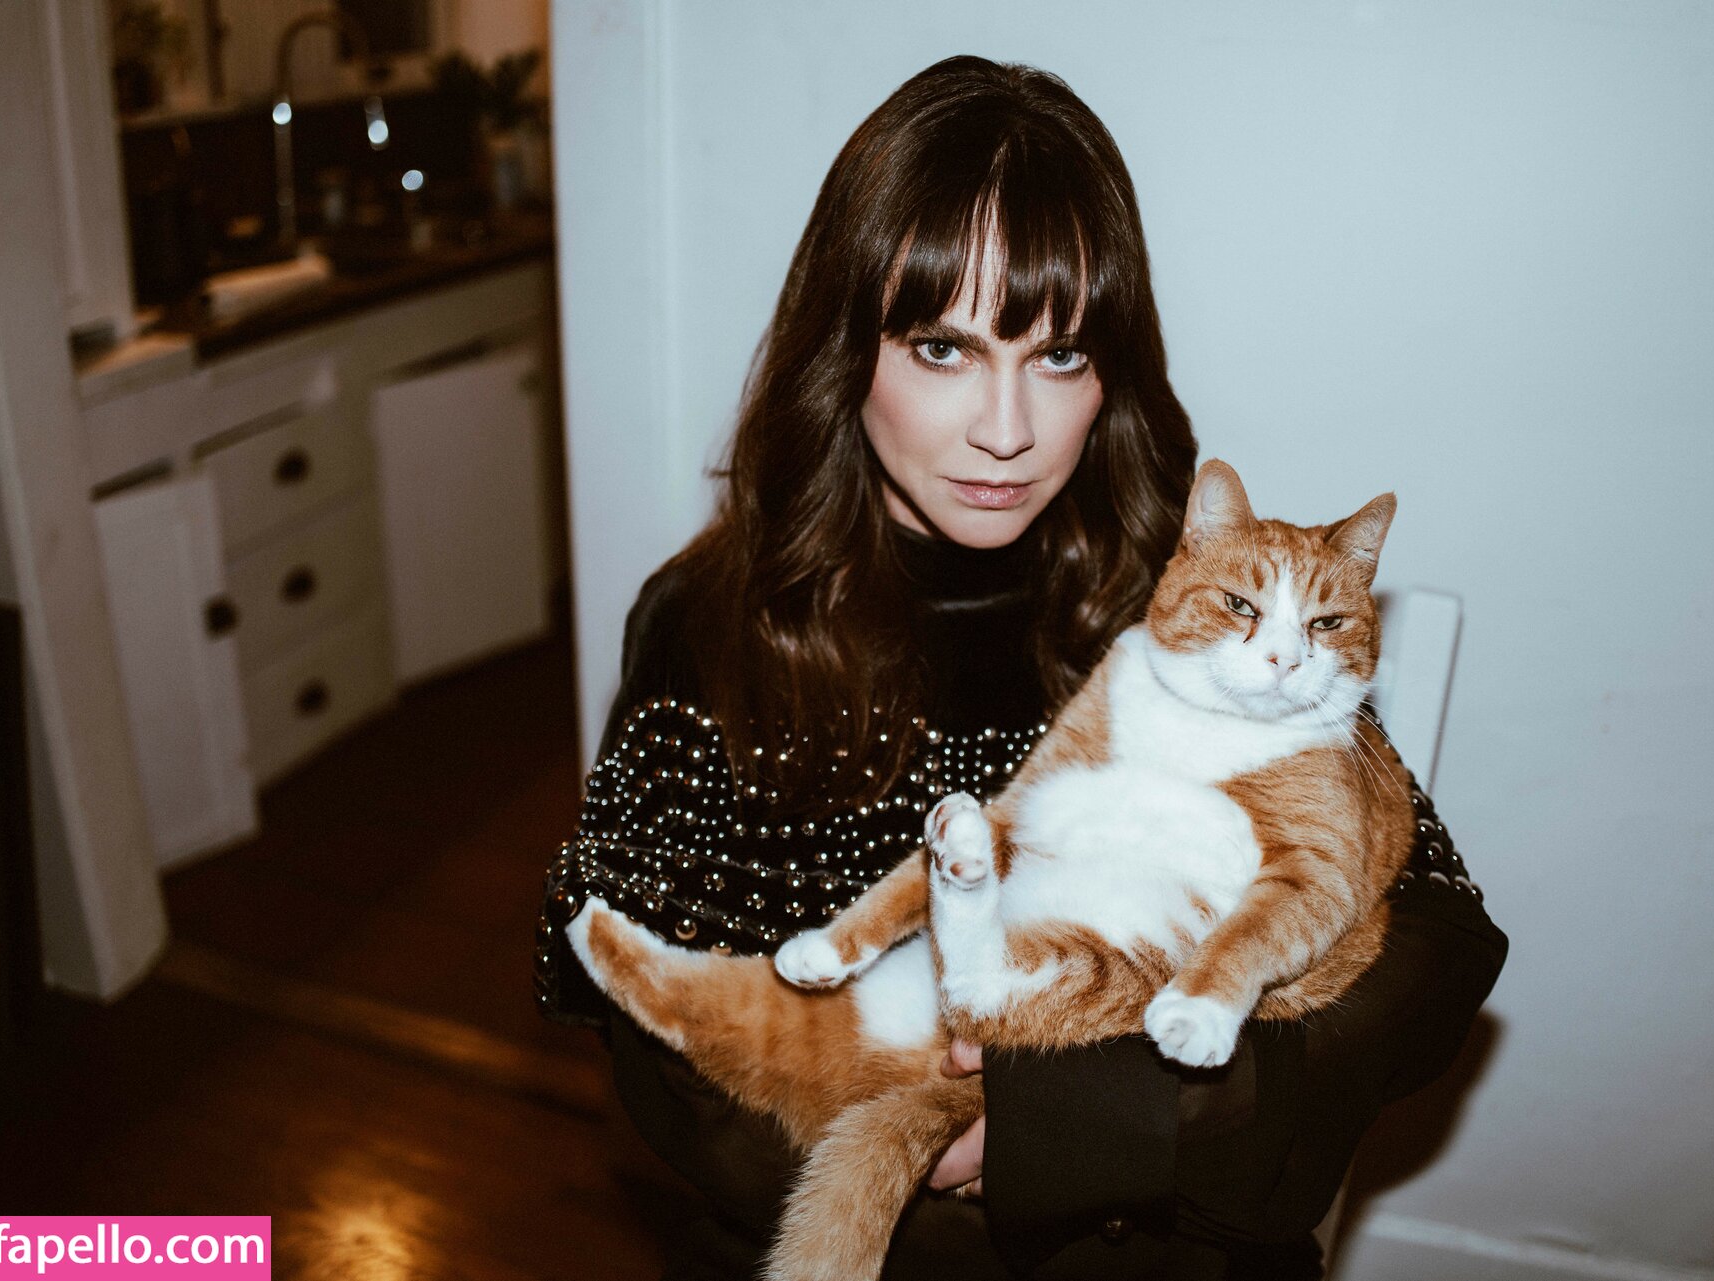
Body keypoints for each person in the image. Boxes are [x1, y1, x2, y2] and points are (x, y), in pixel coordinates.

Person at [534, 55, 1507, 1280]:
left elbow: (1435, 939)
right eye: (942, 349)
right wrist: (921, 1143)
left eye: (1060, 356)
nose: (1007, 431)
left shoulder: (1198, 593)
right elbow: (657, 1043)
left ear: (1114, 369)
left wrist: (1066, 1122)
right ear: (845, 348)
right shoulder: (709, 621)